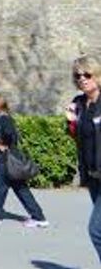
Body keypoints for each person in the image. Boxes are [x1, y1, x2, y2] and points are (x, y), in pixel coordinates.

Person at [0, 93, 48, 227]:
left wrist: (4, 144)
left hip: (3, 160)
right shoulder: (2, 118)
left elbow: (10, 134)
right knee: (20, 189)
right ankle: (39, 218)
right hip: (6, 160)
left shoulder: (4, 119)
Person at [66, 55, 101, 259]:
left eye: (87, 74)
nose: (82, 79)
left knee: (96, 230)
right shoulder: (78, 103)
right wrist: (71, 123)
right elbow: (78, 136)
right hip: (93, 175)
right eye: (77, 76)